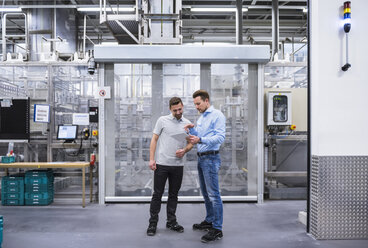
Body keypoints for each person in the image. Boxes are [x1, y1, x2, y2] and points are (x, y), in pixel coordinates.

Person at [147, 97, 193, 236]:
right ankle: (152, 223)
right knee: (157, 195)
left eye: (180, 109)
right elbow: (154, 139)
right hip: (162, 164)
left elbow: (191, 143)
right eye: (175, 110)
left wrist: (184, 150)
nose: (178, 112)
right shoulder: (162, 120)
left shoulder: (187, 123)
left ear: (183, 106)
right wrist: (151, 159)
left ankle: (171, 221)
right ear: (170, 109)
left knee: (174, 195)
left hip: (177, 165)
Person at [184, 89, 226, 243]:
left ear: (206, 101)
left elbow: (220, 137)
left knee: (214, 195)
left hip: (211, 158)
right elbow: (200, 136)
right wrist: (192, 130)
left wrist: (200, 139)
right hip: (202, 158)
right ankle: (209, 220)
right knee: (206, 194)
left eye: (198, 103)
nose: (196, 106)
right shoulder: (202, 117)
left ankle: (217, 228)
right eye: (195, 104)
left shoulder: (217, 115)